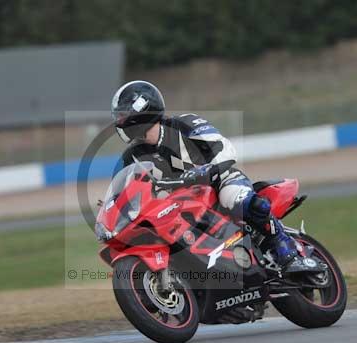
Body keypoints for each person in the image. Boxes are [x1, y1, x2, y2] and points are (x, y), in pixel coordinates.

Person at [111, 80, 301, 270]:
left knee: (237, 199)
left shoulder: (184, 123)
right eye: (119, 116)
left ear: (143, 109)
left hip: (220, 183)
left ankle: (286, 249)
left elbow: (224, 148)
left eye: (123, 114)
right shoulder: (132, 156)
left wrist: (207, 171)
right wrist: (113, 207)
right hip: (178, 204)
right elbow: (124, 189)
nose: (120, 120)